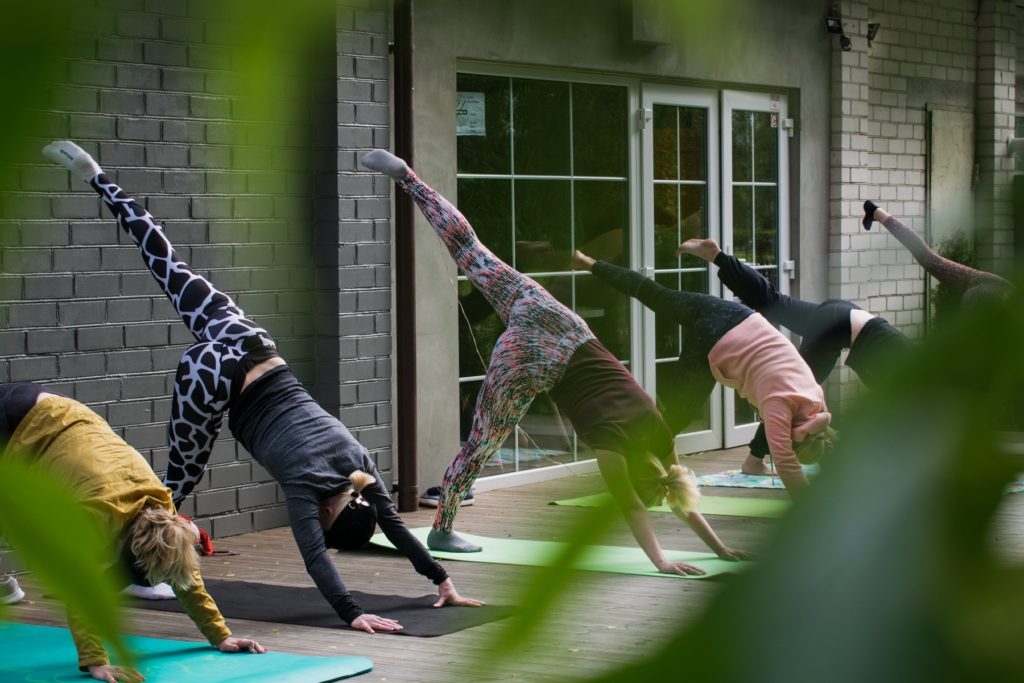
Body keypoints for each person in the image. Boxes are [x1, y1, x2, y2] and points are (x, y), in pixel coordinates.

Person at [42, 141, 481, 636]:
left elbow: (397, 528)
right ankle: (133, 571)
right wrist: (351, 612)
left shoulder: (361, 465)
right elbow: (317, 559)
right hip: (213, 379)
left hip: (253, 345)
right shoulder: (304, 488)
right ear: (329, 516)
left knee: (167, 262)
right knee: (171, 489)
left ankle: (100, 178)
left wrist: (441, 579)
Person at [361, 149, 750, 573]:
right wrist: (662, 561)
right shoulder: (612, 451)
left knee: (472, 252)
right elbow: (635, 508)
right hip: (533, 361)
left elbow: (675, 492)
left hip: (558, 321)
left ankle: (409, 180)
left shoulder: (659, 436)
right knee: (480, 445)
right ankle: (442, 527)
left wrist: (721, 549)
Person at [0, 383, 265, 683]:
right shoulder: (97, 515)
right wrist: (95, 662)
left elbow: (187, 579)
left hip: (59, 410)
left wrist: (221, 636)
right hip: (16, 423)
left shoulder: (162, 511)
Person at [570, 249, 835, 497]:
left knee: (653, 293)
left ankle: (589, 262)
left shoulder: (815, 398)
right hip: (715, 338)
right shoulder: (781, 406)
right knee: (678, 415)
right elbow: (786, 462)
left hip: (734, 313)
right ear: (798, 441)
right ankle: (636, 471)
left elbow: (804, 443)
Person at [677, 237, 908, 475]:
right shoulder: (910, 379)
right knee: (788, 391)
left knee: (773, 302)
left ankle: (717, 257)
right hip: (835, 329)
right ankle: (754, 460)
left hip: (843, 315)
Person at [863, 200, 1012, 305]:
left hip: (991, 285)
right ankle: (876, 212)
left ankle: (877, 212)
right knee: (929, 259)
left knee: (929, 259)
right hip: (986, 297)